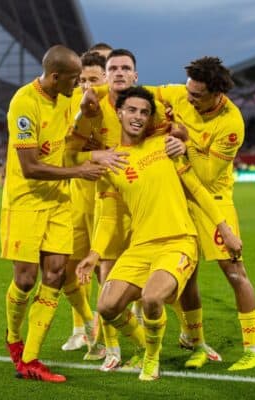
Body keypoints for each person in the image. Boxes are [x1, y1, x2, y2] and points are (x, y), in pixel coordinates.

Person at [76, 87, 242, 381]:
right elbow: (111, 215)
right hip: (140, 246)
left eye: (144, 112)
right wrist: (94, 254)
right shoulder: (112, 161)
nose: (138, 117)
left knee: (153, 300)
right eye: (132, 111)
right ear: (119, 113)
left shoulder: (165, 146)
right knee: (106, 306)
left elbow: (197, 190)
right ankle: (145, 344)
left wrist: (224, 229)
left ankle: (152, 359)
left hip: (178, 241)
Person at [1, 44, 109, 383]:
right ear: (55, 76)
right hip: (26, 201)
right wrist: (80, 171)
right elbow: (31, 167)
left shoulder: (70, 94)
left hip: (59, 202)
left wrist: (93, 101)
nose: (79, 85)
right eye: (74, 79)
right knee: (25, 279)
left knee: (56, 273)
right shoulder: (24, 103)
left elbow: (100, 92)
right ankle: (14, 339)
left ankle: (31, 358)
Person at [150, 57, 255, 371]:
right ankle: (195, 341)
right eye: (188, 91)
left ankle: (253, 350)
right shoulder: (180, 95)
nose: (188, 98)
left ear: (216, 94)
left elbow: (209, 175)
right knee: (186, 277)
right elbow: (142, 95)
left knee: (234, 273)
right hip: (178, 200)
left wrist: (186, 143)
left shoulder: (231, 122)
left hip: (213, 199)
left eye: (196, 95)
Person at [67, 48, 175, 369]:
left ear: (134, 75)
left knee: (151, 280)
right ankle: (115, 349)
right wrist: (97, 156)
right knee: (108, 273)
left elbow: (175, 129)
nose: (118, 73)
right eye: (112, 68)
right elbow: (68, 153)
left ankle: (176, 341)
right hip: (108, 196)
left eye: (124, 68)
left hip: (145, 202)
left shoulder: (145, 106)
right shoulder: (91, 107)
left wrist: (180, 137)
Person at [61, 49, 114, 353]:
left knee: (108, 269)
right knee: (74, 267)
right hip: (78, 196)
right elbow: (66, 150)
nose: (86, 85)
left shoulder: (119, 106)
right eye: (82, 79)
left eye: (93, 79)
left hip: (110, 199)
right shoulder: (71, 102)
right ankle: (81, 328)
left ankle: (116, 330)